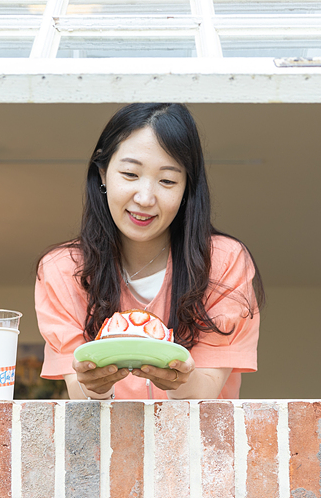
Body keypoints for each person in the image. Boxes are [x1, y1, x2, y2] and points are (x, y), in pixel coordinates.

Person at [34, 103, 263, 400]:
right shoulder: (62, 270)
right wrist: (96, 385)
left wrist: (179, 380)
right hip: (108, 446)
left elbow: (206, 391)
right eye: (130, 174)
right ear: (103, 174)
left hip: (198, 446)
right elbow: (82, 397)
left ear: (186, 190)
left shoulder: (224, 261)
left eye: (167, 180)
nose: (144, 198)